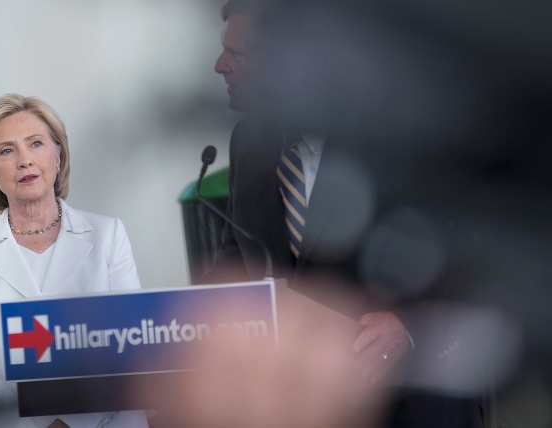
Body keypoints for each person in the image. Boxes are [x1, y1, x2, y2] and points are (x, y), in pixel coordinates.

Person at [204, 0, 494, 427]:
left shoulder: (405, 135)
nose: (219, 65)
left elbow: (480, 260)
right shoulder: (248, 140)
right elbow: (239, 250)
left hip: (412, 404)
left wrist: (407, 325)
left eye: (238, 54)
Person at [0, 93, 150, 428]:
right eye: (7, 150)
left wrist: (73, 423)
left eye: (36, 143)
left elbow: (130, 349)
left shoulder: (108, 235)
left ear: (58, 155)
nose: (25, 160)